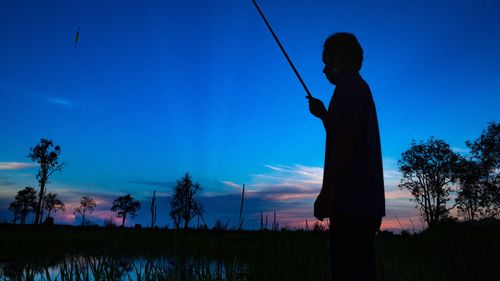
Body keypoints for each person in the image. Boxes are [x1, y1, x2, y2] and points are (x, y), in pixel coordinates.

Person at [307, 33, 386, 281]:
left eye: (326, 60)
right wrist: (324, 116)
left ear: (339, 57)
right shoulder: (359, 88)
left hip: (352, 204)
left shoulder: (348, 87)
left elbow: (344, 144)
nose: (323, 69)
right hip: (364, 205)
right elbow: (346, 133)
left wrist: (328, 193)